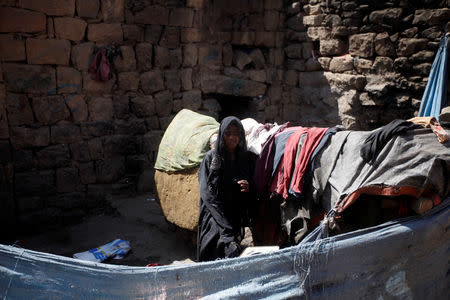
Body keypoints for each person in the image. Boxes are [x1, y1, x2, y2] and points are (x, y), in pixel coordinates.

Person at [197, 116, 256, 261]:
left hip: (233, 210)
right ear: (222, 135)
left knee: (233, 248)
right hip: (214, 212)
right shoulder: (211, 158)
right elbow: (207, 193)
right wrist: (223, 225)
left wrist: (248, 187)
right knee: (216, 239)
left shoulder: (244, 158)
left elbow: (252, 184)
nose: (232, 137)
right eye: (228, 133)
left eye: (236, 133)